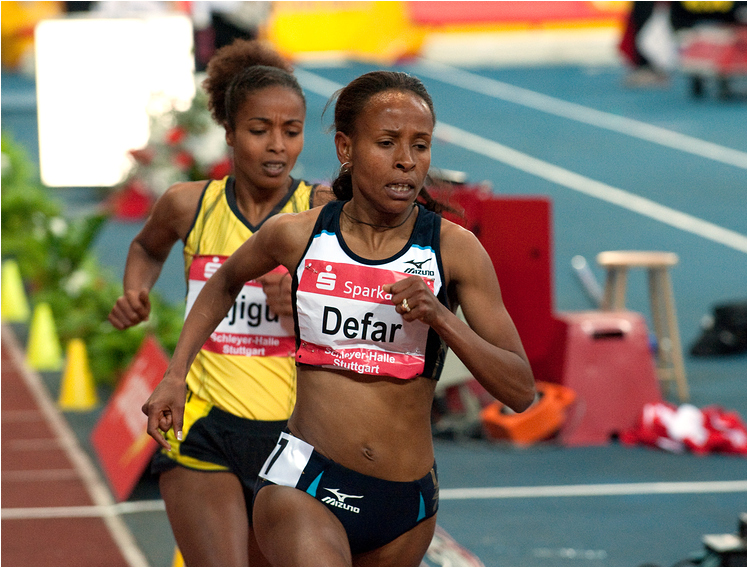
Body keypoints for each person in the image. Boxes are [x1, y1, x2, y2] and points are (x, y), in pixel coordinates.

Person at [143, 70, 536, 566]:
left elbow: (521, 391)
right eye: (388, 142)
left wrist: (442, 319)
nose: (406, 161)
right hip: (304, 482)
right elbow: (223, 281)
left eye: (421, 145)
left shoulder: (455, 252)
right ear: (345, 148)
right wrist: (175, 373)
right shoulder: (297, 235)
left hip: (406, 504)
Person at [108, 39, 332, 566]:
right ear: (228, 134)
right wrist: (135, 290)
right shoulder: (190, 204)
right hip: (203, 424)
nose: (277, 146)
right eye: (259, 131)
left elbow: (362, 318)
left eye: (291, 131)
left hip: (295, 435)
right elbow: (145, 245)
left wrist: (303, 304)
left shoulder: (321, 213)